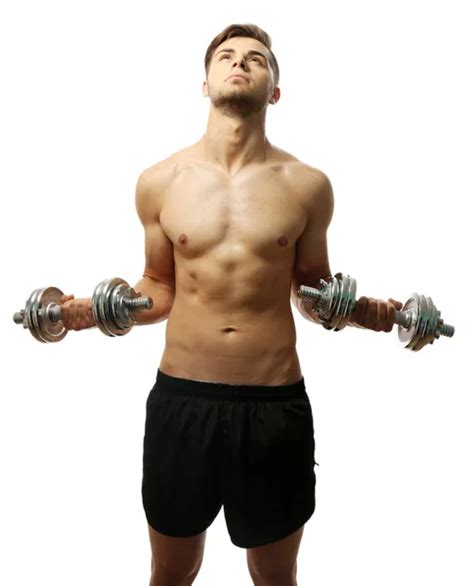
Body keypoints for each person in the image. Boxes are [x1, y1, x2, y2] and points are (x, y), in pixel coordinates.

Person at [59, 23, 403, 586]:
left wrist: (358, 311)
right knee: (171, 572)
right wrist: (105, 309)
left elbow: (311, 289)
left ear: (275, 90)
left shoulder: (308, 185)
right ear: (205, 82)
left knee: (274, 576)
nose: (239, 63)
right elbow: (160, 286)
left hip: (274, 407)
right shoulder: (159, 182)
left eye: (256, 59)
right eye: (227, 56)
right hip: (181, 403)